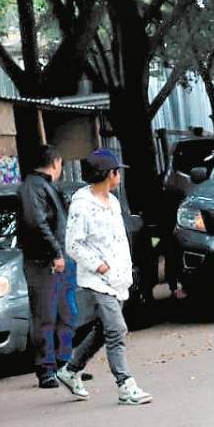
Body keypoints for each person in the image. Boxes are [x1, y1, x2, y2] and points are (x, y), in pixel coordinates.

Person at [56, 150, 153, 405]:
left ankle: (70, 370)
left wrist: (124, 270)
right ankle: (125, 384)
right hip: (98, 279)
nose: (119, 175)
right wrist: (100, 267)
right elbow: (73, 245)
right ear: (107, 174)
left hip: (118, 278)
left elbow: (119, 241)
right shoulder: (82, 206)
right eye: (116, 170)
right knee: (117, 329)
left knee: (104, 330)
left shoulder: (113, 202)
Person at [17, 145, 74, 387]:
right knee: (45, 316)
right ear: (56, 162)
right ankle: (46, 368)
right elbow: (36, 222)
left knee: (66, 314)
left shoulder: (44, 186)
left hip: (57, 258)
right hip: (44, 261)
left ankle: (65, 364)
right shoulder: (33, 186)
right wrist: (54, 252)